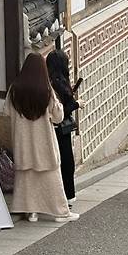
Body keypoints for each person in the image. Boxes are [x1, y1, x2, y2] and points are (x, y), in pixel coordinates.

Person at [4, 53, 78, 223]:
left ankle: (31, 212)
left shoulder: (14, 89)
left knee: (27, 179)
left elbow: (6, 111)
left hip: (23, 143)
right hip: (44, 143)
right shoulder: (46, 89)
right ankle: (60, 212)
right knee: (51, 179)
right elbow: (58, 116)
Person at [46, 49, 82, 207]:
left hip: (51, 129)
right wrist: (76, 104)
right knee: (66, 163)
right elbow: (61, 111)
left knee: (58, 162)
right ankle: (66, 197)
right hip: (61, 128)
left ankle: (58, 197)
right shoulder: (59, 82)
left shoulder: (48, 81)